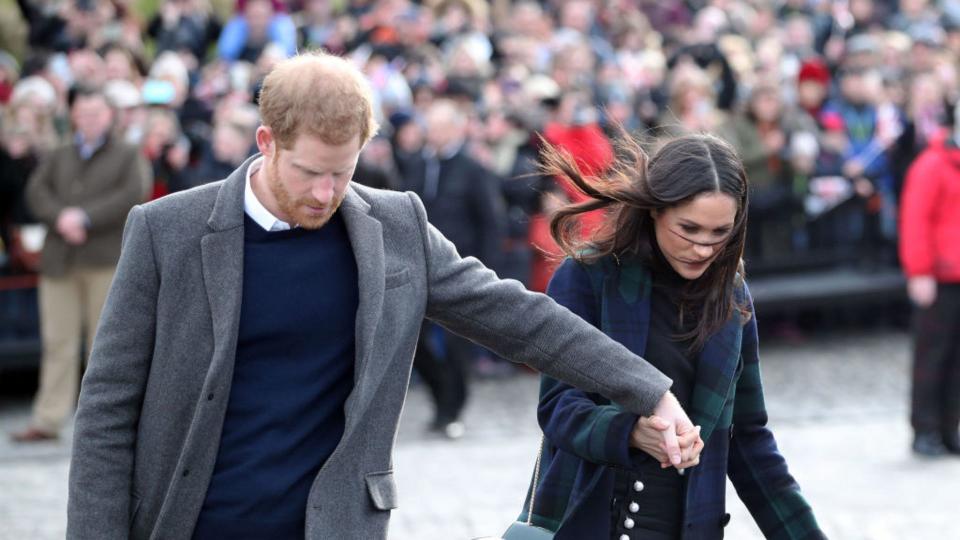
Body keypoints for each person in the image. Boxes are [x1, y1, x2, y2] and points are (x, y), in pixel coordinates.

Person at [66, 51, 701, 540]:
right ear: (267, 142)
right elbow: (106, 407)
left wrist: (648, 389)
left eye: (342, 173)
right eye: (310, 172)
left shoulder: (394, 226)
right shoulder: (166, 230)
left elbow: (518, 316)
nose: (325, 192)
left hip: (332, 525)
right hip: (188, 520)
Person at [517, 132, 824, 539]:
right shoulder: (588, 277)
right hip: (587, 518)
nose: (702, 248)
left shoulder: (731, 297)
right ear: (654, 212)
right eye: (689, 228)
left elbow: (749, 442)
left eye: (719, 233)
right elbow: (558, 408)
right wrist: (628, 431)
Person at [10, 84, 151, 442]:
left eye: (96, 113)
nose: (88, 120)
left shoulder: (127, 154)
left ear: (109, 116)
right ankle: (47, 419)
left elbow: (133, 193)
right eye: (83, 113)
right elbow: (36, 191)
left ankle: (104, 424)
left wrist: (85, 218)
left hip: (105, 261)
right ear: (73, 115)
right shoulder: (59, 154)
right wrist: (61, 218)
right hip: (60, 262)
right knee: (57, 343)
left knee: (105, 347)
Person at [898, 130, 960, 457]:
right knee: (933, 355)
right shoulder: (931, 165)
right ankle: (925, 428)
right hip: (940, 275)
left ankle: (951, 427)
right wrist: (919, 270)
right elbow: (915, 219)